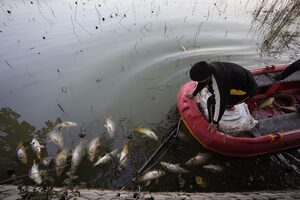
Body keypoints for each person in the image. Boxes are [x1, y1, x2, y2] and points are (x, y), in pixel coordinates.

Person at [186, 61, 257, 133]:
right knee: (212, 89)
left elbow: (220, 103)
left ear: (207, 76)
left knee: (211, 101)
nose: (199, 82)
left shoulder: (219, 81)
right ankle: (228, 105)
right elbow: (203, 82)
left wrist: (215, 122)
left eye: (199, 80)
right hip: (238, 83)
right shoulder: (210, 68)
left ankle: (211, 122)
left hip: (246, 91)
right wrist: (194, 94)